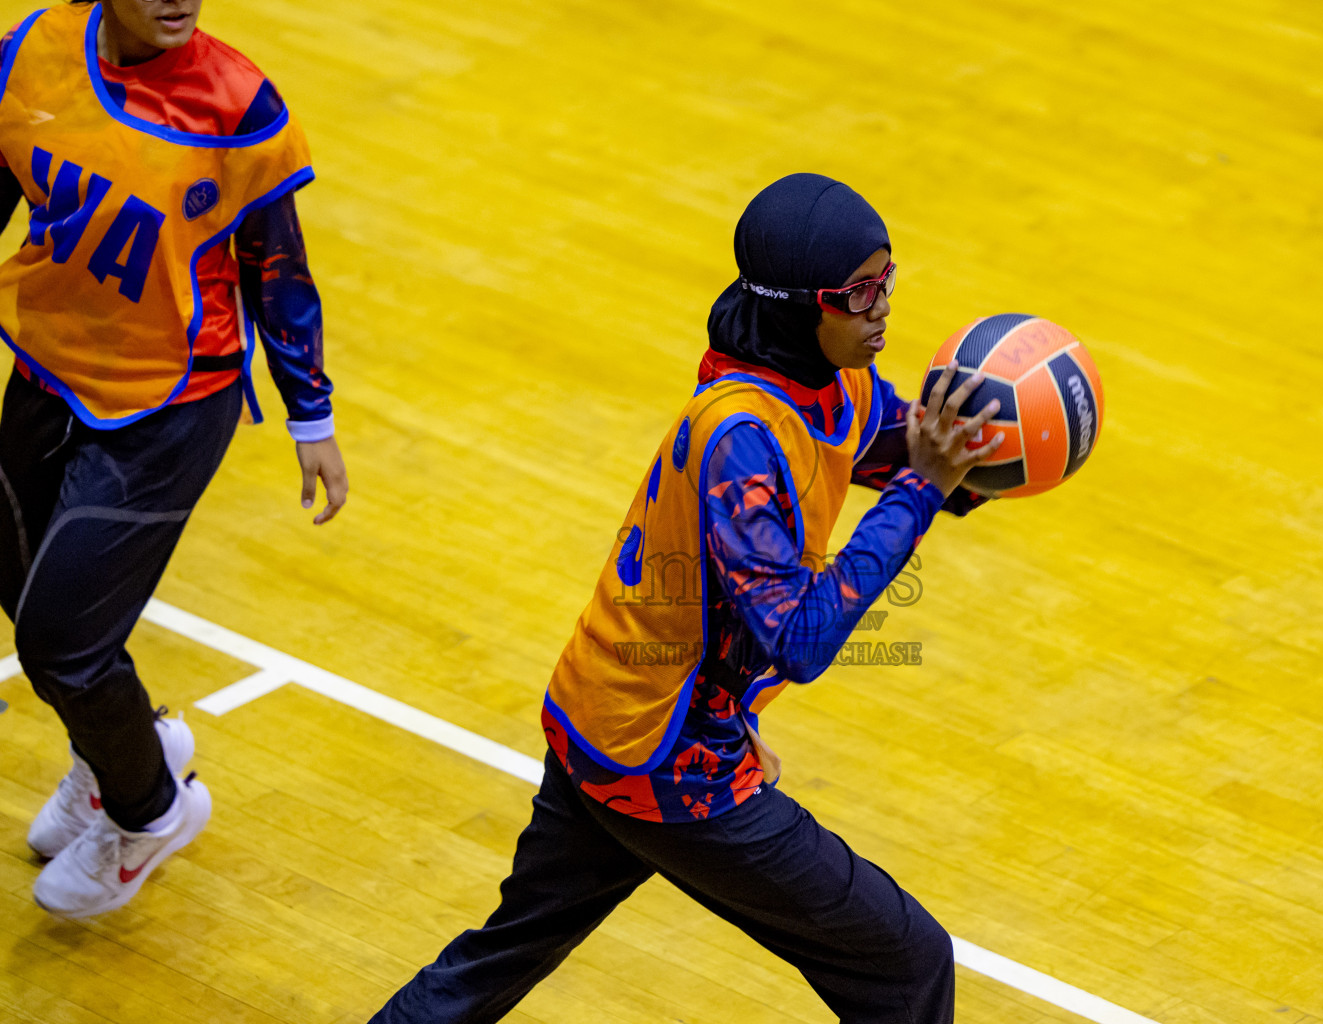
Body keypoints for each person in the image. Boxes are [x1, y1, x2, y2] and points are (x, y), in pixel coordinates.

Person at [370, 173, 1000, 1023]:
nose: (882, 306)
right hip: (669, 760)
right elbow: (801, 640)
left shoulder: (828, 384)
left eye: (888, 281)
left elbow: (926, 465)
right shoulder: (740, 440)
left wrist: (998, 437)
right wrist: (923, 489)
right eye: (859, 293)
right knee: (906, 962)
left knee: (500, 956)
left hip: (603, 716)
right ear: (798, 306)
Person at [0, 0, 347, 919]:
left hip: (173, 403)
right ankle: (118, 752)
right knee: (24, 588)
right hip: (47, 367)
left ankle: (151, 813)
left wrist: (311, 415)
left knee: (62, 642)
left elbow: (279, 265)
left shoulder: (238, 106)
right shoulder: (30, 54)